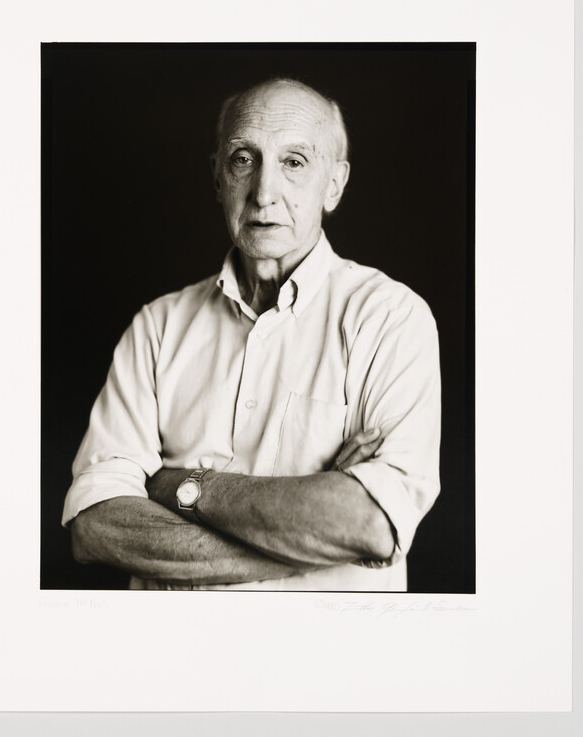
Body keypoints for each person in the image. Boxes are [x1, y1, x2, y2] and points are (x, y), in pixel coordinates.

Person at [62, 77, 441, 591]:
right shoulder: (158, 326)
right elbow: (96, 527)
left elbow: (368, 522)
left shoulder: (389, 318)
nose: (264, 193)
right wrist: (310, 533)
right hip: (171, 660)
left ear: (335, 185)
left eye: (294, 162)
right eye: (244, 158)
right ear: (218, 179)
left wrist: (178, 486)